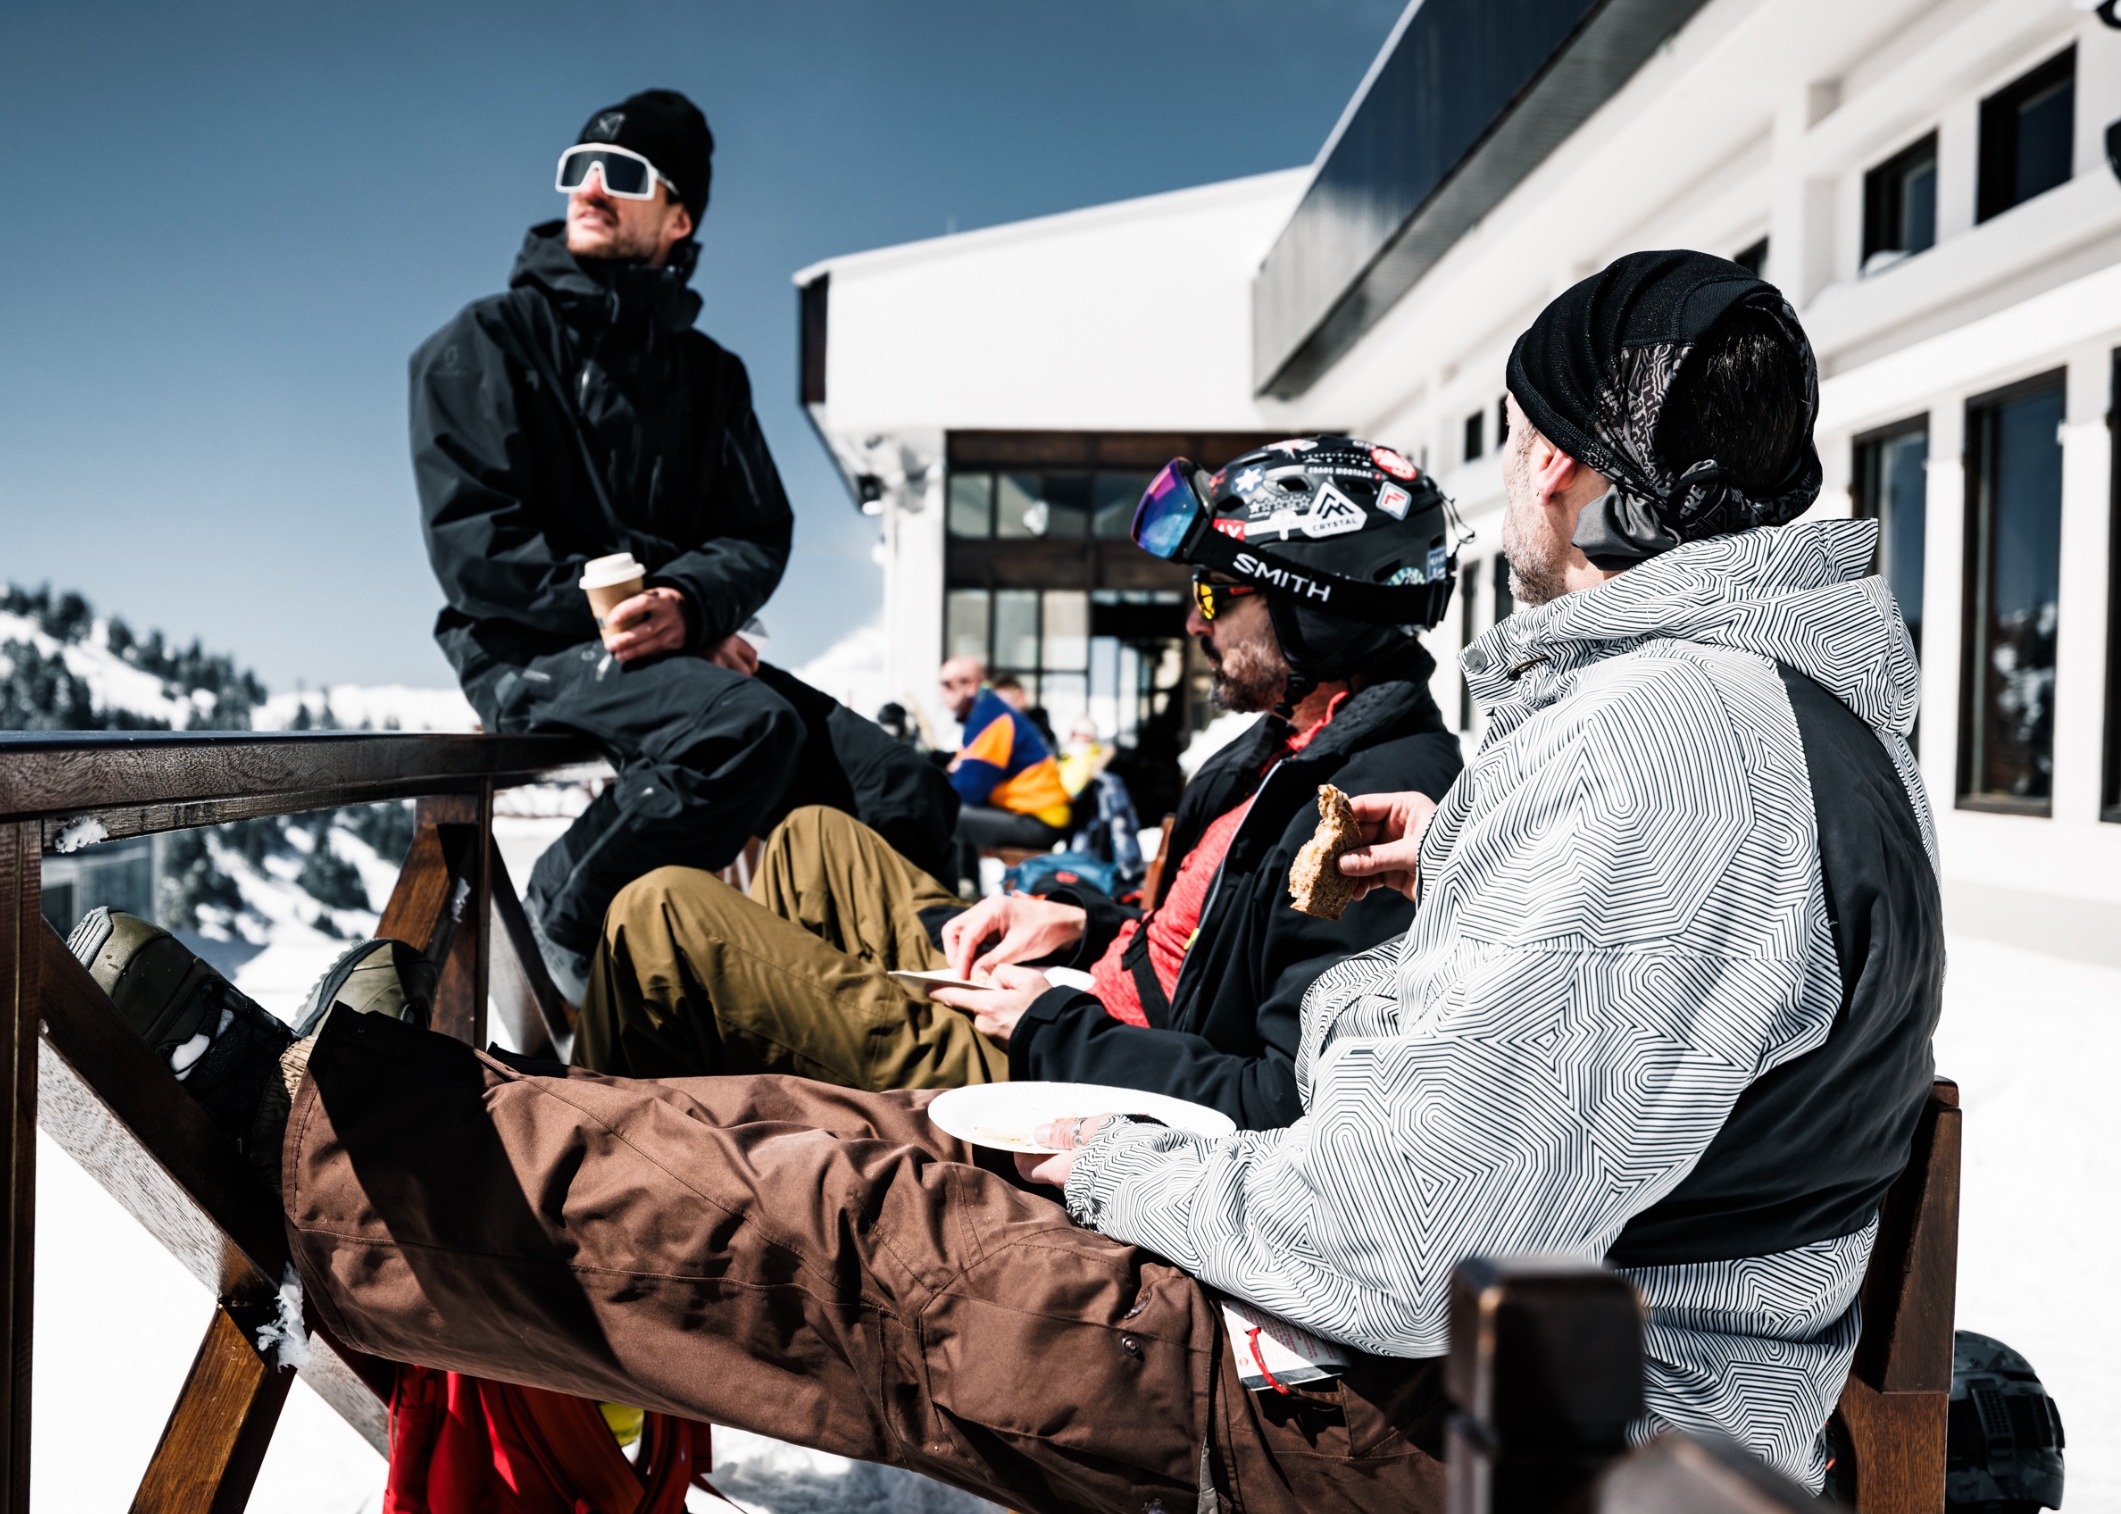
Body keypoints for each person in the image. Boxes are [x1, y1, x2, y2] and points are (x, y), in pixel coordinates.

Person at [84, 250, 1941, 1514]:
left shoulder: (1670, 740)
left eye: (1510, 436)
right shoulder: (1767, 726)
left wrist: (1119, 1157)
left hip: (1481, 1460)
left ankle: (323, 1155)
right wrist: (1464, 882)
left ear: (1562, 461)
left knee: (871, 1227)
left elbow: (1395, 1235)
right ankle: (387, 1129)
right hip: (1520, 1404)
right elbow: (1537, 1093)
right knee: (835, 1138)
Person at [573, 438, 1463, 1136]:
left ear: (1314, 602)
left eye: (1215, 592)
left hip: (1075, 1082)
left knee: (662, 917)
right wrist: (1077, 923)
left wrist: (1051, 1025)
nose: (1196, 622)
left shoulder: (1377, 809)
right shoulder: (1286, 745)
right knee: (815, 838)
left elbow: (1286, 1099)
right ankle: (765, 1126)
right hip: (1083, 1015)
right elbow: (1198, 946)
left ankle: (592, 1197)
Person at [410, 89, 953, 1000]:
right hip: (527, 644)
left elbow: (756, 528)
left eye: (622, 174)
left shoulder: (710, 376)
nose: (590, 187)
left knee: (903, 786)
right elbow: (478, 550)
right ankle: (563, 909)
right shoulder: (482, 344)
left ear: (678, 217)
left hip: (679, 657)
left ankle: (858, 999)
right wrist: (666, 620)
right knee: (743, 729)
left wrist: (693, 607)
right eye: (577, 167)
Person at [941, 656, 1069, 862]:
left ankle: (963, 882)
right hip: (1033, 813)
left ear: (971, 686)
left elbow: (970, 790)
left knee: (945, 813)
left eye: (947, 684)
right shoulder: (988, 711)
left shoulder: (990, 718)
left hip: (1039, 820)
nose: (941, 691)